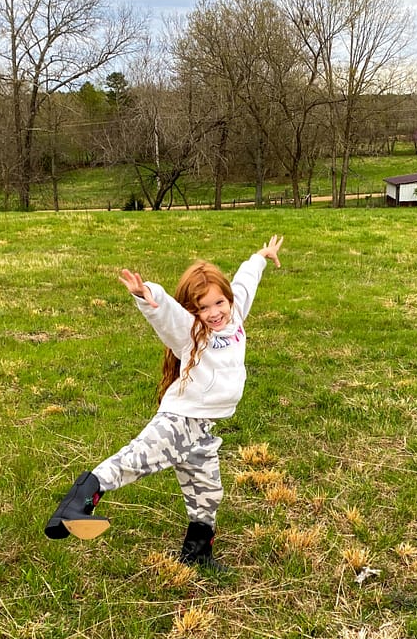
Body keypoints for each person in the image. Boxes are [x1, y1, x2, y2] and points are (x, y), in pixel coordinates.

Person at [44, 235, 284, 568]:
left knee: (208, 493)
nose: (214, 313)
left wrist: (262, 256)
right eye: (203, 307)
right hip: (179, 421)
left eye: (218, 303)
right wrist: (148, 295)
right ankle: (77, 504)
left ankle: (197, 554)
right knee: (135, 460)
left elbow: (245, 280)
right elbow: (167, 313)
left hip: (202, 429)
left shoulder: (236, 313)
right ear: (193, 311)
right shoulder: (192, 333)